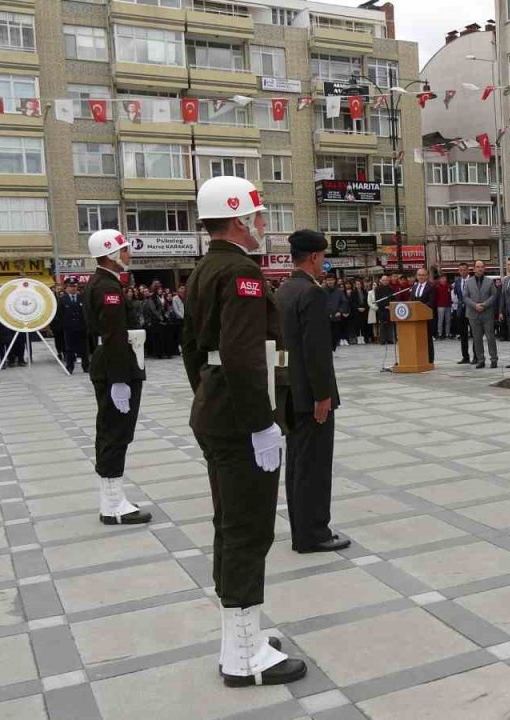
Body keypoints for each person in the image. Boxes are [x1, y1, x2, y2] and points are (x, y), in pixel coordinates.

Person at [183, 176, 305, 688]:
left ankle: (243, 636)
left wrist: (207, 395)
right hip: (240, 419)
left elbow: (196, 351)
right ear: (237, 217)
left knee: (231, 523)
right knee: (249, 529)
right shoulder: (240, 272)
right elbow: (241, 356)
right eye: (256, 216)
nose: (262, 225)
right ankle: (241, 657)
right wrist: (261, 424)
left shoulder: (205, 268)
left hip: (216, 409)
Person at [274, 230, 350, 555]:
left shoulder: (283, 291)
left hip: (290, 391)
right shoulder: (312, 293)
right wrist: (323, 396)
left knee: (297, 465)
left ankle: (301, 529)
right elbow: (316, 350)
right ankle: (314, 533)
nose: (325, 263)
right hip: (312, 396)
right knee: (315, 466)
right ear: (315, 257)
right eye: (324, 257)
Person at [82, 229, 152, 527]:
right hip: (115, 369)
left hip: (112, 366)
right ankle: (113, 506)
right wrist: (120, 379)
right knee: (115, 434)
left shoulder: (103, 282)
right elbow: (112, 335)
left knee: (114, 432)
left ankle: (112, 499)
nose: (128, 255)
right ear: (110, 254)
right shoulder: (107, 287)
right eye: (123, 250)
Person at [463, 259, 498, 369]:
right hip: (473, 314)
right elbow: (465, 297)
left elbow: (494, 295)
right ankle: (480, 359)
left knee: (490, 337)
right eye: (478, 267)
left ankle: (494, 359)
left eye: (482, 266)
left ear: (484, 268)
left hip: (487, 313)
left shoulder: (489, 281)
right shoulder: (468, 282)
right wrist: (475, 305)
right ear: (474, 269)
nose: (480, 269)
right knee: (477, 338)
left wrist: (484, 305)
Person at [56, 278, 89, 373]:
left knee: (84, 348)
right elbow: (59, 314)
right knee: (69, 348)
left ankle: (86, 366)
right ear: (66, 287)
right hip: (69, 328)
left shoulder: (82, 298)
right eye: (71, 286)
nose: (73, 288)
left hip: (82, 327)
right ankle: (70, 367)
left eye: (74, 286)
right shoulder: (62, 300)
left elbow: (86, 312)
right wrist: (63, 325)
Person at [411, 268, 436, 362]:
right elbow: (411, 301)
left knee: (428, 339)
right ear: (417, 276)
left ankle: (429, 360)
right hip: (415, 319)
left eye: (423, 275)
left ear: (427, 276)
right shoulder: (414, 287)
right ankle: (419, 358)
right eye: (419, 275)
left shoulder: (431, 286)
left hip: (426, 317)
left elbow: (432, 302)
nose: (421, 277)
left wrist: (420, 309)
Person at [321, 274, 348, 352]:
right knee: (326, 334)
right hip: (325, 317)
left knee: (335, 334)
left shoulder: (339, 291)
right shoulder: (321, 291)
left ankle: (333, 347)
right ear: (325, 281)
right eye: (328, 280)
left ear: (334, 281)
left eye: (331, 280)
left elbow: (344, 302)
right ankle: (327, 349)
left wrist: (340, 311)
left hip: (336, 316)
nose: (330, 282)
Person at [452, 263, 471, 363]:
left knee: (474, 334)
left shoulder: (472, 280)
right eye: (461, 270)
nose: (463, 271)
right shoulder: (457, 281)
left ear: (468, 270)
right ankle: (465, 357)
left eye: (464, 270)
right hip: (461, 310)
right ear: (459, 271)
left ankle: (477, 357)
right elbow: (456, 295)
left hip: (471, 309)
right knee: (463, 335)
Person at [374, 273, 394, 344]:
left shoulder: (391, 288)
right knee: (382, 325)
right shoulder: (377, 289)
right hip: (382, 309)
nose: (385, 281)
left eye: (386, 280)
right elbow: (377, 300)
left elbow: (393, 298)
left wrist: (390, 306)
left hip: (390, 309)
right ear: (381, 281)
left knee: (390, 324)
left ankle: (390, 339)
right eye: (384, 280)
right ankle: (382, 340)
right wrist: (384, 306)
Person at [434, 275, 452, 340]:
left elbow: (451, 296)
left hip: (448, 305)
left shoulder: (449, 286)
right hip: (440, 306)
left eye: (445, 278)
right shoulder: (437, 287)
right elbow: (435, 297)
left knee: (448, 320)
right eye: (442, 278)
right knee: (440, 320)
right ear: (439, 279)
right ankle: (440, 333)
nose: (444, 280)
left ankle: (447, 334)